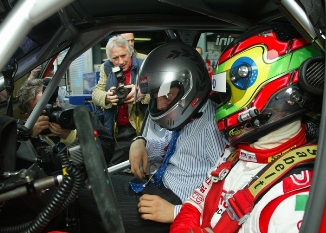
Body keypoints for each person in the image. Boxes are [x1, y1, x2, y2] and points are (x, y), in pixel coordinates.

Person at [170, 24, 323, 233]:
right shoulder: (236, 152)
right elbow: (193, 205)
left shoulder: (292, 204)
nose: (222, 105)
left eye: (229, 95)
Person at [75, 42, 227, 233]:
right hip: (157, 185)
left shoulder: (214, 125)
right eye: (156, 95)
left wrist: (176, 212)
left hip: (176, 202)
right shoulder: (191, 117)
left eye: (167, 94)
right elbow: (168, 145)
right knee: (82, 188)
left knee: (85, 199)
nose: (161, 104)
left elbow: (228, 190)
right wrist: (140, 142)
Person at [17, 79, 115, 165]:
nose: (53, 108)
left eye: (53, 102)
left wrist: (72, 137)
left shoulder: (78, 116)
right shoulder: (23, 134)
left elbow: (108, 151)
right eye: (43, 107)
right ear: (29, 115)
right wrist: (31, 138)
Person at [92, 35, 148, 165]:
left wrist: (141, 92)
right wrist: (106, 97)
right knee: (113, 168)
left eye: (123, 56)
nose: (121, 61)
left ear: (130, 52)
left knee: (144, 167)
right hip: (117, 131)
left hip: (142, 129)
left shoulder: (144, 64)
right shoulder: (106, 68)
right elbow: (96, 93)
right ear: (110, 59)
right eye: (115, 58)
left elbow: (159, 88)